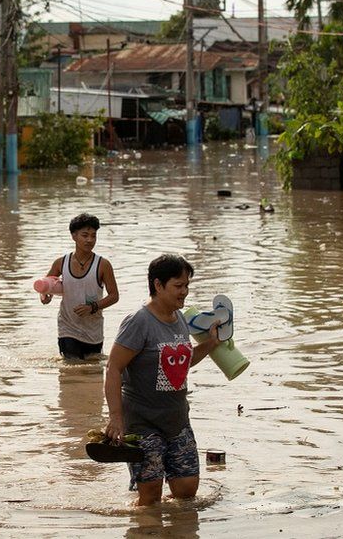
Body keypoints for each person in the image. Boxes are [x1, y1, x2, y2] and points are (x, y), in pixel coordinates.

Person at [103, 254, 220, 506]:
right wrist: (115, 418)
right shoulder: (138, 321)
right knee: (150, 497)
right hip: (143, 423)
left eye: (187, 285)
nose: (185, 292)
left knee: (187, 492)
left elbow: (181, 363)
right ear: (158, 285)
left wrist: (211, 344)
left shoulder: (179, 318)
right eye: (178, 286)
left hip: (177, 420)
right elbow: (113, 368)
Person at [41, 213, 119, 359]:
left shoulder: (103, 265)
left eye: (93, 236)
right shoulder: (60, 263)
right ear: (74, 236)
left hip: (93, 330)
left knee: (93, 371)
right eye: (85, 235)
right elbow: (45, 286)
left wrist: (92, 307)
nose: (90, 240)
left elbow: (114, 296)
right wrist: (45, 297)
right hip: (67, 327)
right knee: (71, 368)